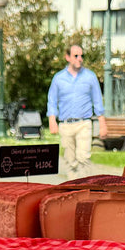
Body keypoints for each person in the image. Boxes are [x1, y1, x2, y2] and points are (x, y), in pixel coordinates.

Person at [46, 45, 109, 178]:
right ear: (67, 57)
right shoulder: (58, 78)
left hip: (83, 123)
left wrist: (102, 124)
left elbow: (97, 101)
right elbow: (52, 100)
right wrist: (52, 120)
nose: (79, 59)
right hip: (66, 124)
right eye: (76, 56)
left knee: (83, 157)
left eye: (81, 56)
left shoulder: (90, 77)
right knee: (70, 160)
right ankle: (72, 189)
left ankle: (85, 188)